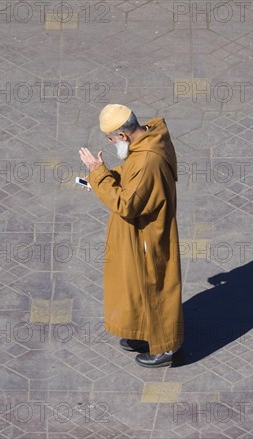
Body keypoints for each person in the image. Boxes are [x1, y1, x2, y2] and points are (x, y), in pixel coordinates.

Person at [78, 104, 184, 368]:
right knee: (136, 284)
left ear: (123, 136)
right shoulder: (148, 139)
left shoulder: (148, 158)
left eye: (112, 140)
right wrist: (104, 177)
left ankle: (165, 347)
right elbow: (131, 173)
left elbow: (128, 204)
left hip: (148, 234)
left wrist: (100, 176)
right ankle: (143, 331)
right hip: (139, 231)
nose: (114, 145)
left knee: (155, 285)